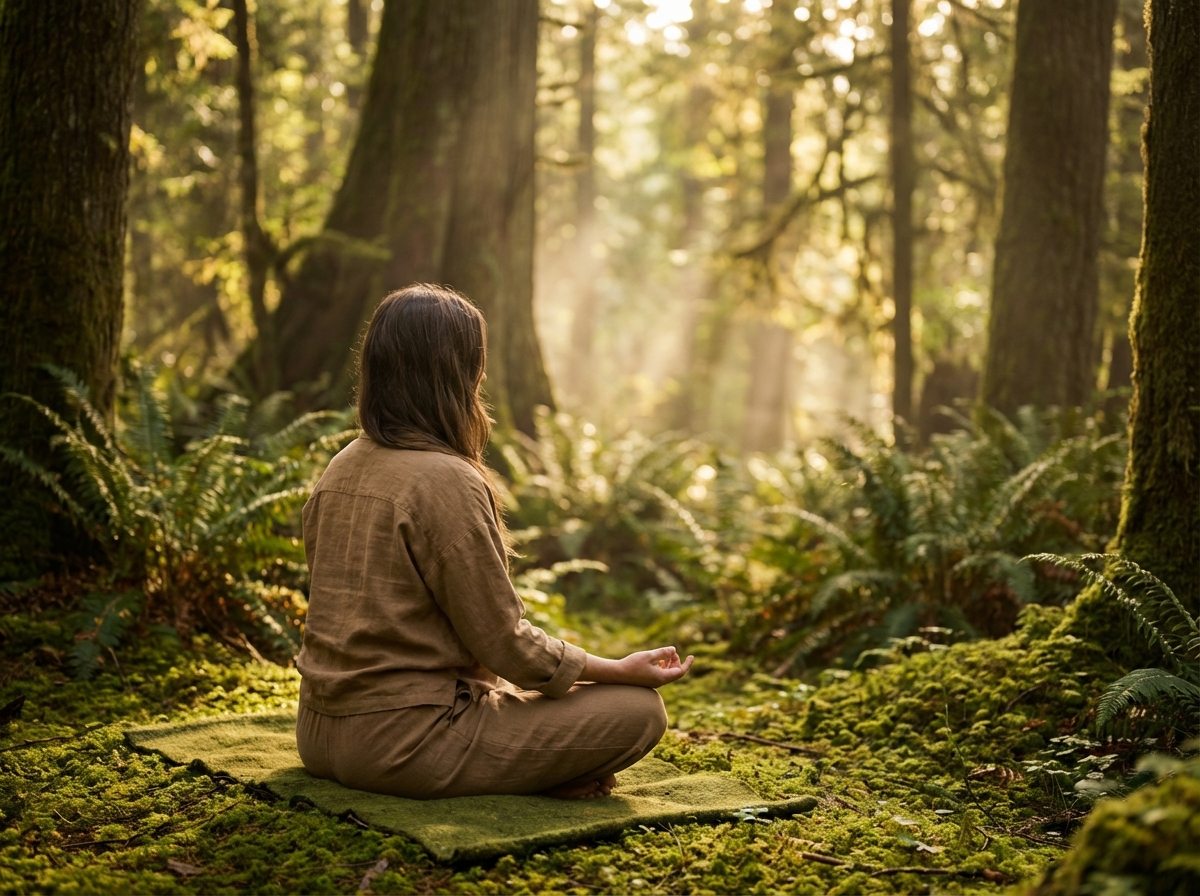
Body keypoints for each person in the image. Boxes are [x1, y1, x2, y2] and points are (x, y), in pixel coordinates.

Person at [295, 283, 694, 800]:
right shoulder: (446, 479)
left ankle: (547, 771)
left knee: (519, 697)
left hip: (319, 730)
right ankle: (548, 775)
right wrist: (614, 670)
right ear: (458, 376)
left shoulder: (343, 463)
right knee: (638, 711)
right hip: (403, 746)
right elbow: (503, 642)